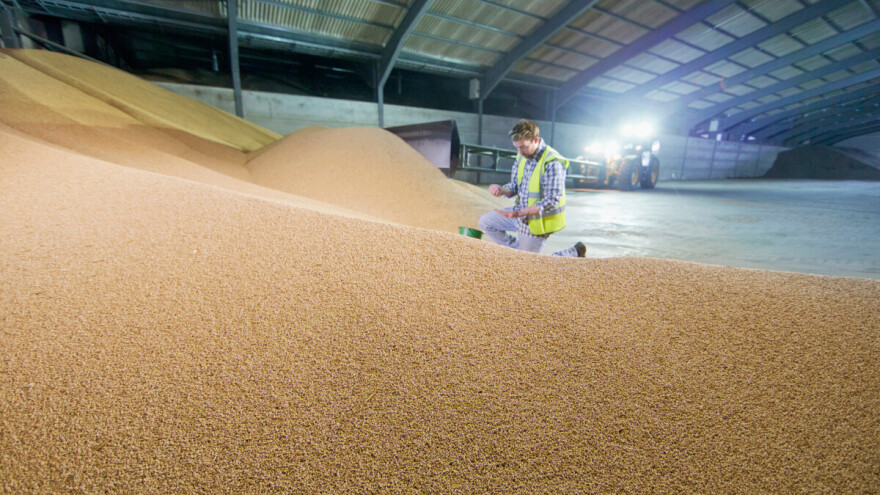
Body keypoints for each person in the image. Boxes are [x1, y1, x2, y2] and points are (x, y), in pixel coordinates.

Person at [478, 119, 586, 257]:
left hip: (539, 220)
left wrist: (520, 213)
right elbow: (515, 185)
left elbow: (552, 199)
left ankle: (573, 253)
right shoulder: (522, 155)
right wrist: (501, 190)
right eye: (517, 147)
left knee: (530, 265)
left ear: (536, 140)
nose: (520, 151)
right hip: (521, 214)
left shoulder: (552, 162)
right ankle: (522, 253)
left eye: (523, 146)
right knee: (485, 222)